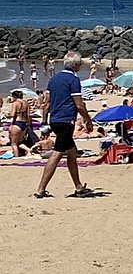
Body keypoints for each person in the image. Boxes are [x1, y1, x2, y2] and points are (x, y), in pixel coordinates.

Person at [34, 52, 95, 199]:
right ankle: (41, 189)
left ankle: (78, 186)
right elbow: (79, 105)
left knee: (72, 153)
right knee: (57, 153)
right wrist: (88, 120)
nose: (81, 66)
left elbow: (46, 103)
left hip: (54, 120)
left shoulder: (54, 79)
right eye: (80, 63)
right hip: (66, 121)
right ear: (74, 65)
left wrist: (44, 122)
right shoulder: (73, 80)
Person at [7, 90, 32, 157]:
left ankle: (16, 156)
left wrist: (10, 125)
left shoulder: (15, 103)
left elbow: (13, 115)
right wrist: (29, 125)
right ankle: (28, 150)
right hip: (24, 124)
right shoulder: (26, 103)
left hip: (17, 124)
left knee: (14, 143)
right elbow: (29, 115)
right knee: (19, 142)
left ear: (14, 96)